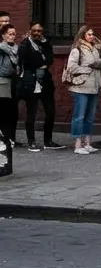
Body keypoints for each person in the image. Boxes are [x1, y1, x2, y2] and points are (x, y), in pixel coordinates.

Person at [65, 25, 101, 155]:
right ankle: (78, 144)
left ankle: (88, 143)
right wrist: (87, 69)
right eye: (89, 34)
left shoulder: (97, 48)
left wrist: (99, 64)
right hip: (80, 87)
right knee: (79, 116)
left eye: (92, 34)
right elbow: (71, 67)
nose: (92, 36)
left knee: (90, 117)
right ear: (83, 35)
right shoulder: (77, 50)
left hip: (95, 86)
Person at [18, 21, 59, 151]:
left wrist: (42, 59)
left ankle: (48, 141)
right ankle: (32, 142)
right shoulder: (25, 44)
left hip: (45, 82)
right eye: (34, 30)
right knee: (32, 112)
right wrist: (41, 62)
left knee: (51, 112)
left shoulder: (45, 43)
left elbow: (50, 59)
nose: (37, 33)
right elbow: (29, 60)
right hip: (31, 82)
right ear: (30, 31)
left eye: (39, 31)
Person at [0, 24, 21, 175]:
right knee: (4, 114)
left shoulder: (16, 49)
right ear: (3, 35)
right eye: (9, 34)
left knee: (11, 114)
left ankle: (8, 139)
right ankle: (4, 139)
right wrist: (14, 69)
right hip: (2, 84)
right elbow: (4, 69)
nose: (11, 36)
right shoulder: (1, 49)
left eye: (13, 34)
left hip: (13, 84)